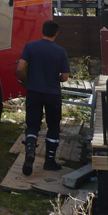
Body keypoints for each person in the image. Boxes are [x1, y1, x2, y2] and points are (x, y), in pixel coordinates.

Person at [15, 19, 70, 175]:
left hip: (33, 91)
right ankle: (50, 161)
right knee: (53, 126)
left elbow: (20, 68)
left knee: (32, 125)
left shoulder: (30, 47)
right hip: (53, 94)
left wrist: (24, 79)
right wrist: (55, 78)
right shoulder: (61, 51)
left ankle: (30, 151)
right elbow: (64, 77)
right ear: (56, 34)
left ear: (42, 31)